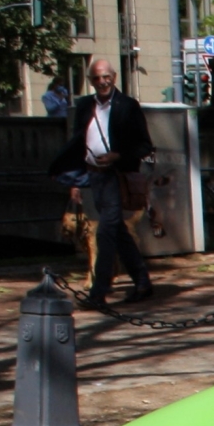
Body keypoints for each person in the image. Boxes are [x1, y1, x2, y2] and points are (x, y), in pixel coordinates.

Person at [48, 55, 154, 307]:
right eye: (97, 78)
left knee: (106, 230)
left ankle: (99, 292)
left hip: (117, 175)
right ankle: (142, 281)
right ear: (91, 81)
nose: (103, 81)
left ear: (114, 78)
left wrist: (118, 155)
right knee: (116, 230)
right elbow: (77, 143)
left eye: (106, 77)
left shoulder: (128, 106)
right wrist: (75, 182)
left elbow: (145, 146)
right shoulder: (85, 106)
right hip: (94, 176)